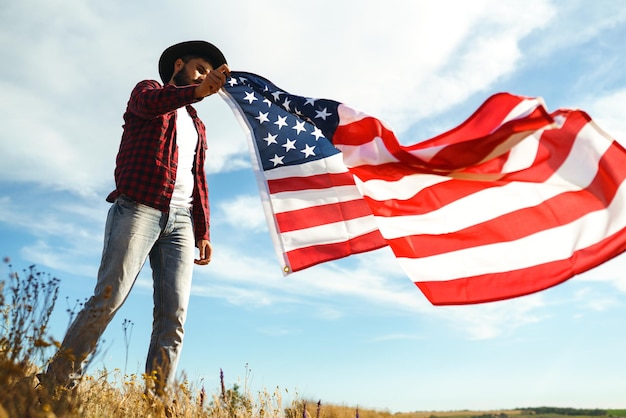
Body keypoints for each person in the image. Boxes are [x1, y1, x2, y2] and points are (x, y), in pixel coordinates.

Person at [44, 40, 230, 393]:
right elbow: (150, 105)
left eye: (209, 74)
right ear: (179, 65)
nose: (205, 77)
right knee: (108, 298)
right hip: (139, 207)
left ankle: (155, 401)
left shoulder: (197, 123)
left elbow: (197, 176)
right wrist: (197, 90)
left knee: (173, 316)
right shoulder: (149, 91)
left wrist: (203, 230)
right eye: (200, 69)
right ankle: (56, 382)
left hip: (181, 222)